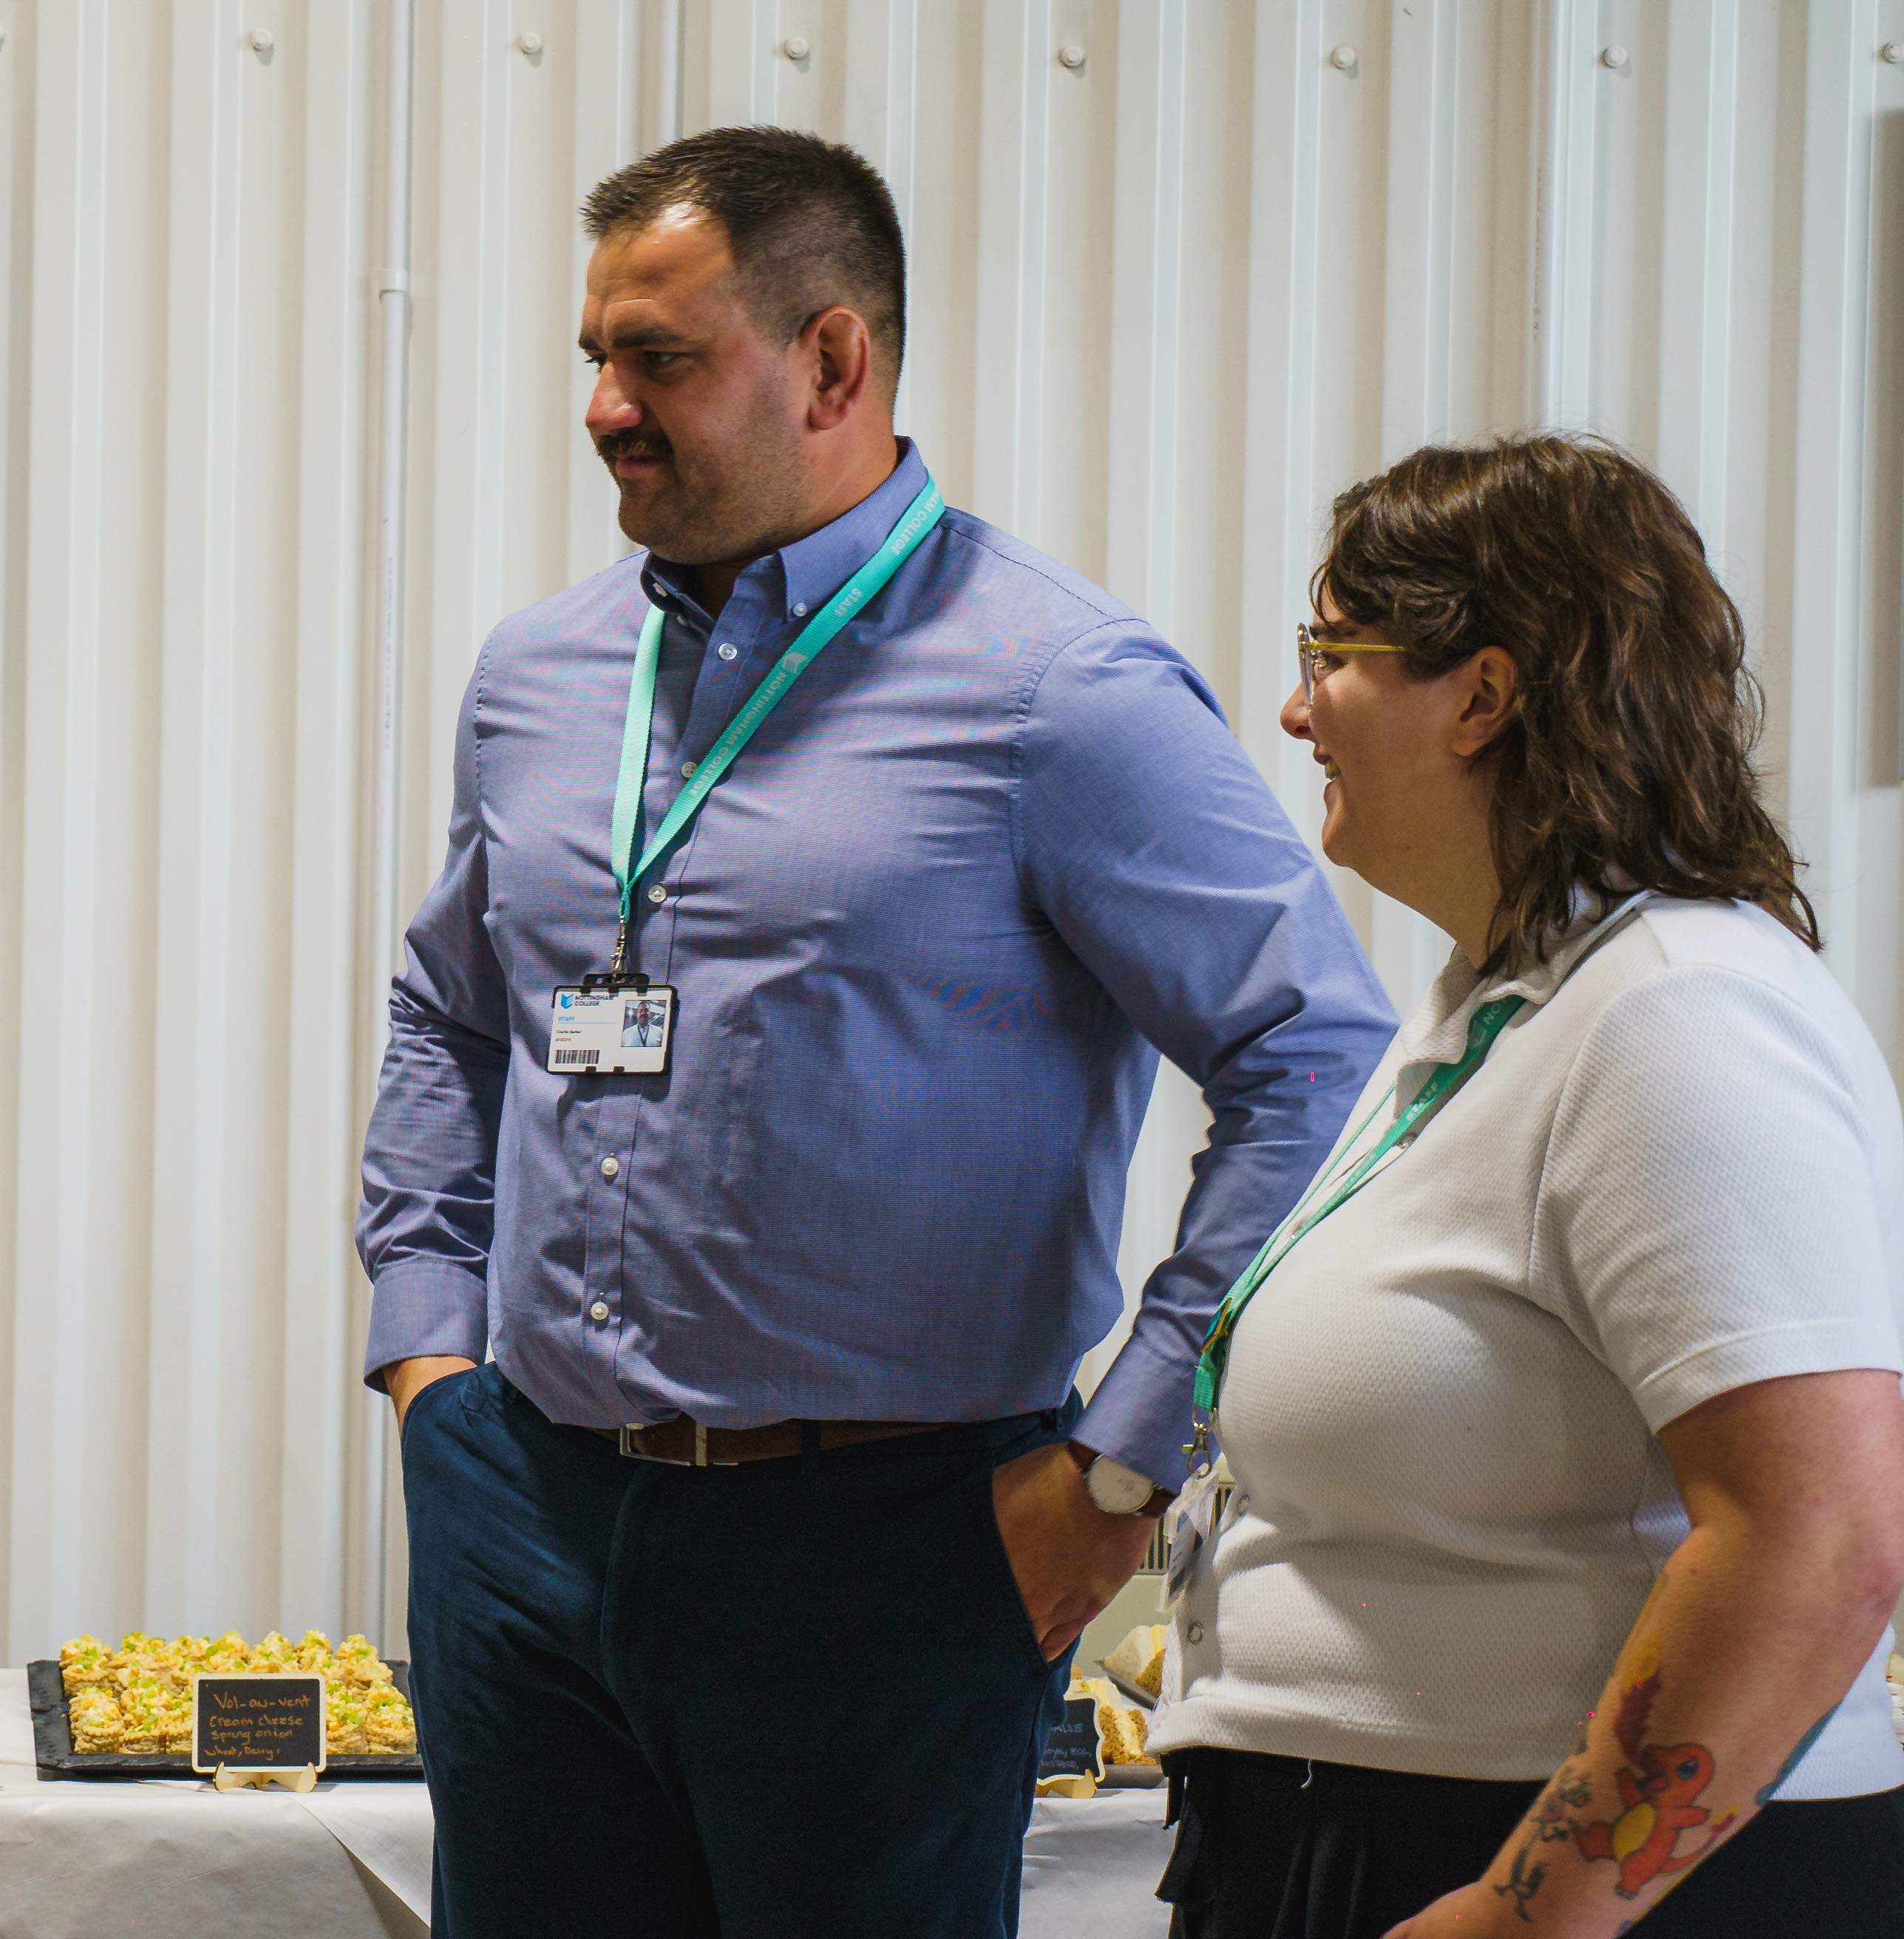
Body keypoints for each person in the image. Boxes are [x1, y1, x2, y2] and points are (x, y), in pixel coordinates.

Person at [356, 127, 1398, 1937]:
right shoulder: (541, 674)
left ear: (834, 359)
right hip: (525, 1509)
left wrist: (1122, 1462)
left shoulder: (1056, 689)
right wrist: (430, 1355)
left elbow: (1316, 1055)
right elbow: (454, 1003)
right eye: (593, 357)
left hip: (892, 1551)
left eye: (657, 359)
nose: (602, 406)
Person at [1147, 435, 1904, 1939]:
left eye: (1334, 654)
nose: (1296, 710)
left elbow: (1820, 1534)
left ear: (1484, 694)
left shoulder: (1678, 1015)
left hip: (1580, 1878)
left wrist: (1528, 1911)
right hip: (1371, 1832)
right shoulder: (1501, 1008)